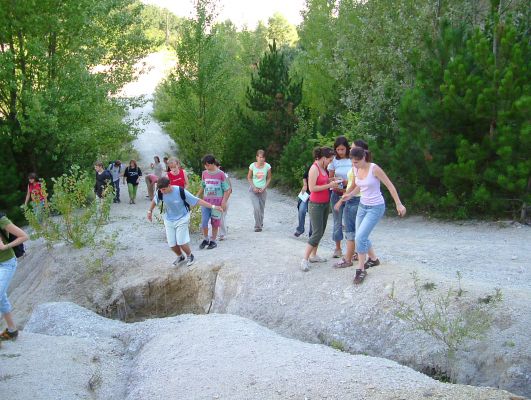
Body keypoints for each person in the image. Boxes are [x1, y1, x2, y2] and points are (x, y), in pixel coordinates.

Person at [337, 147, 406, 284]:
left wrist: (399, 204)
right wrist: (350, 194)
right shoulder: (356, 168)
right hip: (363, 206)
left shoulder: (374, 169)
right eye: (353, 162)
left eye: (357, 162)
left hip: (376, 207)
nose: (354, 165)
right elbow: (359, 185)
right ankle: (374, 259)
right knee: (361, 235)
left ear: (364, 158)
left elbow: (390, 186)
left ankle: (361, 270)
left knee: (360, 237)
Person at [147, 177, 223, 267]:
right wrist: (149, 211)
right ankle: (180, 256)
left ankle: (190, 256)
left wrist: (214, 207)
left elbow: (197, 200)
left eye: (164, 189)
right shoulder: (160, 192)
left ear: (169, 186)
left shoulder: (180, 191)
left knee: (181, 242)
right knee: (172, 244)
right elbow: (154, 201)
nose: (162, 191)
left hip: (182, 218)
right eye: (160, 190)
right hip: (169, 219)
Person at [300, 147, 339, 272]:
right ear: (323, 158)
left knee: (321, 231)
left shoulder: (323, 168)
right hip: (315, 204)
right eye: (330, 160)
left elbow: (321, 181)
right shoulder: (314, 168)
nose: (330, 162)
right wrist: (330, 185)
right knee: (316, 232)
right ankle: (304, 259)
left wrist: (330, 180)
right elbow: (312, 188)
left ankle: (313, 255)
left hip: (325, 203)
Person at [333, 140, 369, 268]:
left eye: (353, 147)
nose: (350, 149)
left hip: (353, 199)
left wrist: (341, 199)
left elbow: (354, 184)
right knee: (359, 230)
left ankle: (348, 258)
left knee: (350, 230)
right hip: (360, 198)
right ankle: (365, 257)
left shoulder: (356, 165)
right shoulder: (365, 164)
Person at [0, 212, 29, 343]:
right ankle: (12, 330)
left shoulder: (1, 219)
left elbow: (24, 236)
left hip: (6, 264)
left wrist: (5, 246)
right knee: (2, 297)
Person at [197, 155, 229, 250]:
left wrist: (224, 202)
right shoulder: (204, 173)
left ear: (212, 163)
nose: (205, 167)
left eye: (207, 165)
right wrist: (197, 196)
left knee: (215, 222)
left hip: (217, 203)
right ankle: (206, 238)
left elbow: (227, 189)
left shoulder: (221, 174)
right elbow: (203, 186)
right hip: (206, 202)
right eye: (204, 165)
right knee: (204, 221)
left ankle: (213, 240)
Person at [328, 136, 351, 258]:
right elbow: (330, 178)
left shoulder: (352, 160)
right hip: (337, 193)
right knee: (337, 222)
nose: (340, 152)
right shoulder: (333, 161)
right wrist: (335, 180)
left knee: (350, 222)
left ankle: (352, 249)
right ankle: (337, 248)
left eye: (342, 149)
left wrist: (348, 182)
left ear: (347, 148)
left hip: (350, 194)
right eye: (338, 149)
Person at [247, 149, 272, 232]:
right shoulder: (252, 166)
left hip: (263, 190)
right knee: (256, 208)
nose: (262, 159)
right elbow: (249, 177)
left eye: (263, 157)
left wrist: (264, 187)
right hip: (253, 190)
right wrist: (253, 187)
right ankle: (257, 226)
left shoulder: (267, 166)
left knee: (261, 208)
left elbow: (269, 178)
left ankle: (260, 222)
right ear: (257, 157)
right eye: (260, 157)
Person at [294, 164, 312, 238]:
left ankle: (312, 233)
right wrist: (305, 185)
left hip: (316, 194)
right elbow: (304, 176)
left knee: (312, 213)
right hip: (306, 193)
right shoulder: (312, 166)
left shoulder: (325, 169)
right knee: (301, 210)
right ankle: (300, 229)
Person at [216, 162, 232, 240]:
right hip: (215, 199)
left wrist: (225, 201)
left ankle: (222, 233)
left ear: (219, 167)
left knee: (222, 216)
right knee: (219, 217)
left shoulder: (225, 176)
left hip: (224, 199)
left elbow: (229, 190)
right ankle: (221, 231)